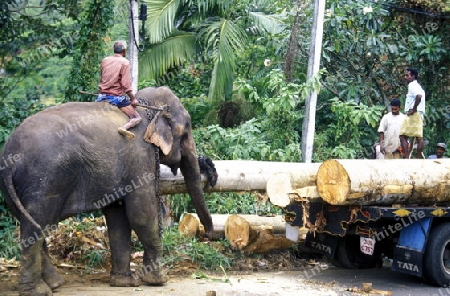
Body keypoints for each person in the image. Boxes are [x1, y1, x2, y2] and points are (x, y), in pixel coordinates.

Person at [97, 40, 142, 140]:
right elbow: (126, 85)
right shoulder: (124, 62)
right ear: (124, 51)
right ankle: (123, 128)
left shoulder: (105, 60)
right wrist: (133, 99)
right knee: (137, 117)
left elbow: (101, 78)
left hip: (101, 96)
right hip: (115, 98)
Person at [399, 67, 425, 159]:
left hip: (413, 114)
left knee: (402, 135)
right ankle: (418, 157)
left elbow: (418, 96)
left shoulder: (412, 85)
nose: (405, 77)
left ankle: (406, 157)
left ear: (413, 76)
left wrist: (413, 109)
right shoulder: (418, 86)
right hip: (419, 114)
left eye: (407, 75)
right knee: (418, 136)